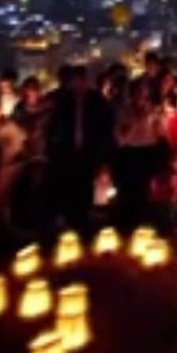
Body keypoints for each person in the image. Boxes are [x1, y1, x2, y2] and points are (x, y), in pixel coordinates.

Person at [45, 65, 114, 230]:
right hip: (69, 153)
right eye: (74, 81)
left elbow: (106, 127)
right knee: (72, 188)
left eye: (79, 81)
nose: (76, 85)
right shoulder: (64, 101)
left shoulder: (97, 101)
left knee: (90, 189)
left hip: (91, 152)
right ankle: (74, 223)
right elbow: (54, 126)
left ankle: (89, 226)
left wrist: (104, 155)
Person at [113, 78, 166, 228]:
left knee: (148, 188)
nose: (141, 95)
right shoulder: (125, 111)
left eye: (144, 92)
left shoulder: (153, 109)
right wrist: (136, 121)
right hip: (131, 153)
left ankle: (147, 222)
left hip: (149, 152)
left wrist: (158, 123)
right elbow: (121, 139)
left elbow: (159, 133)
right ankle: (130, 223)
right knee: (131, 189)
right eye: (138, 92)